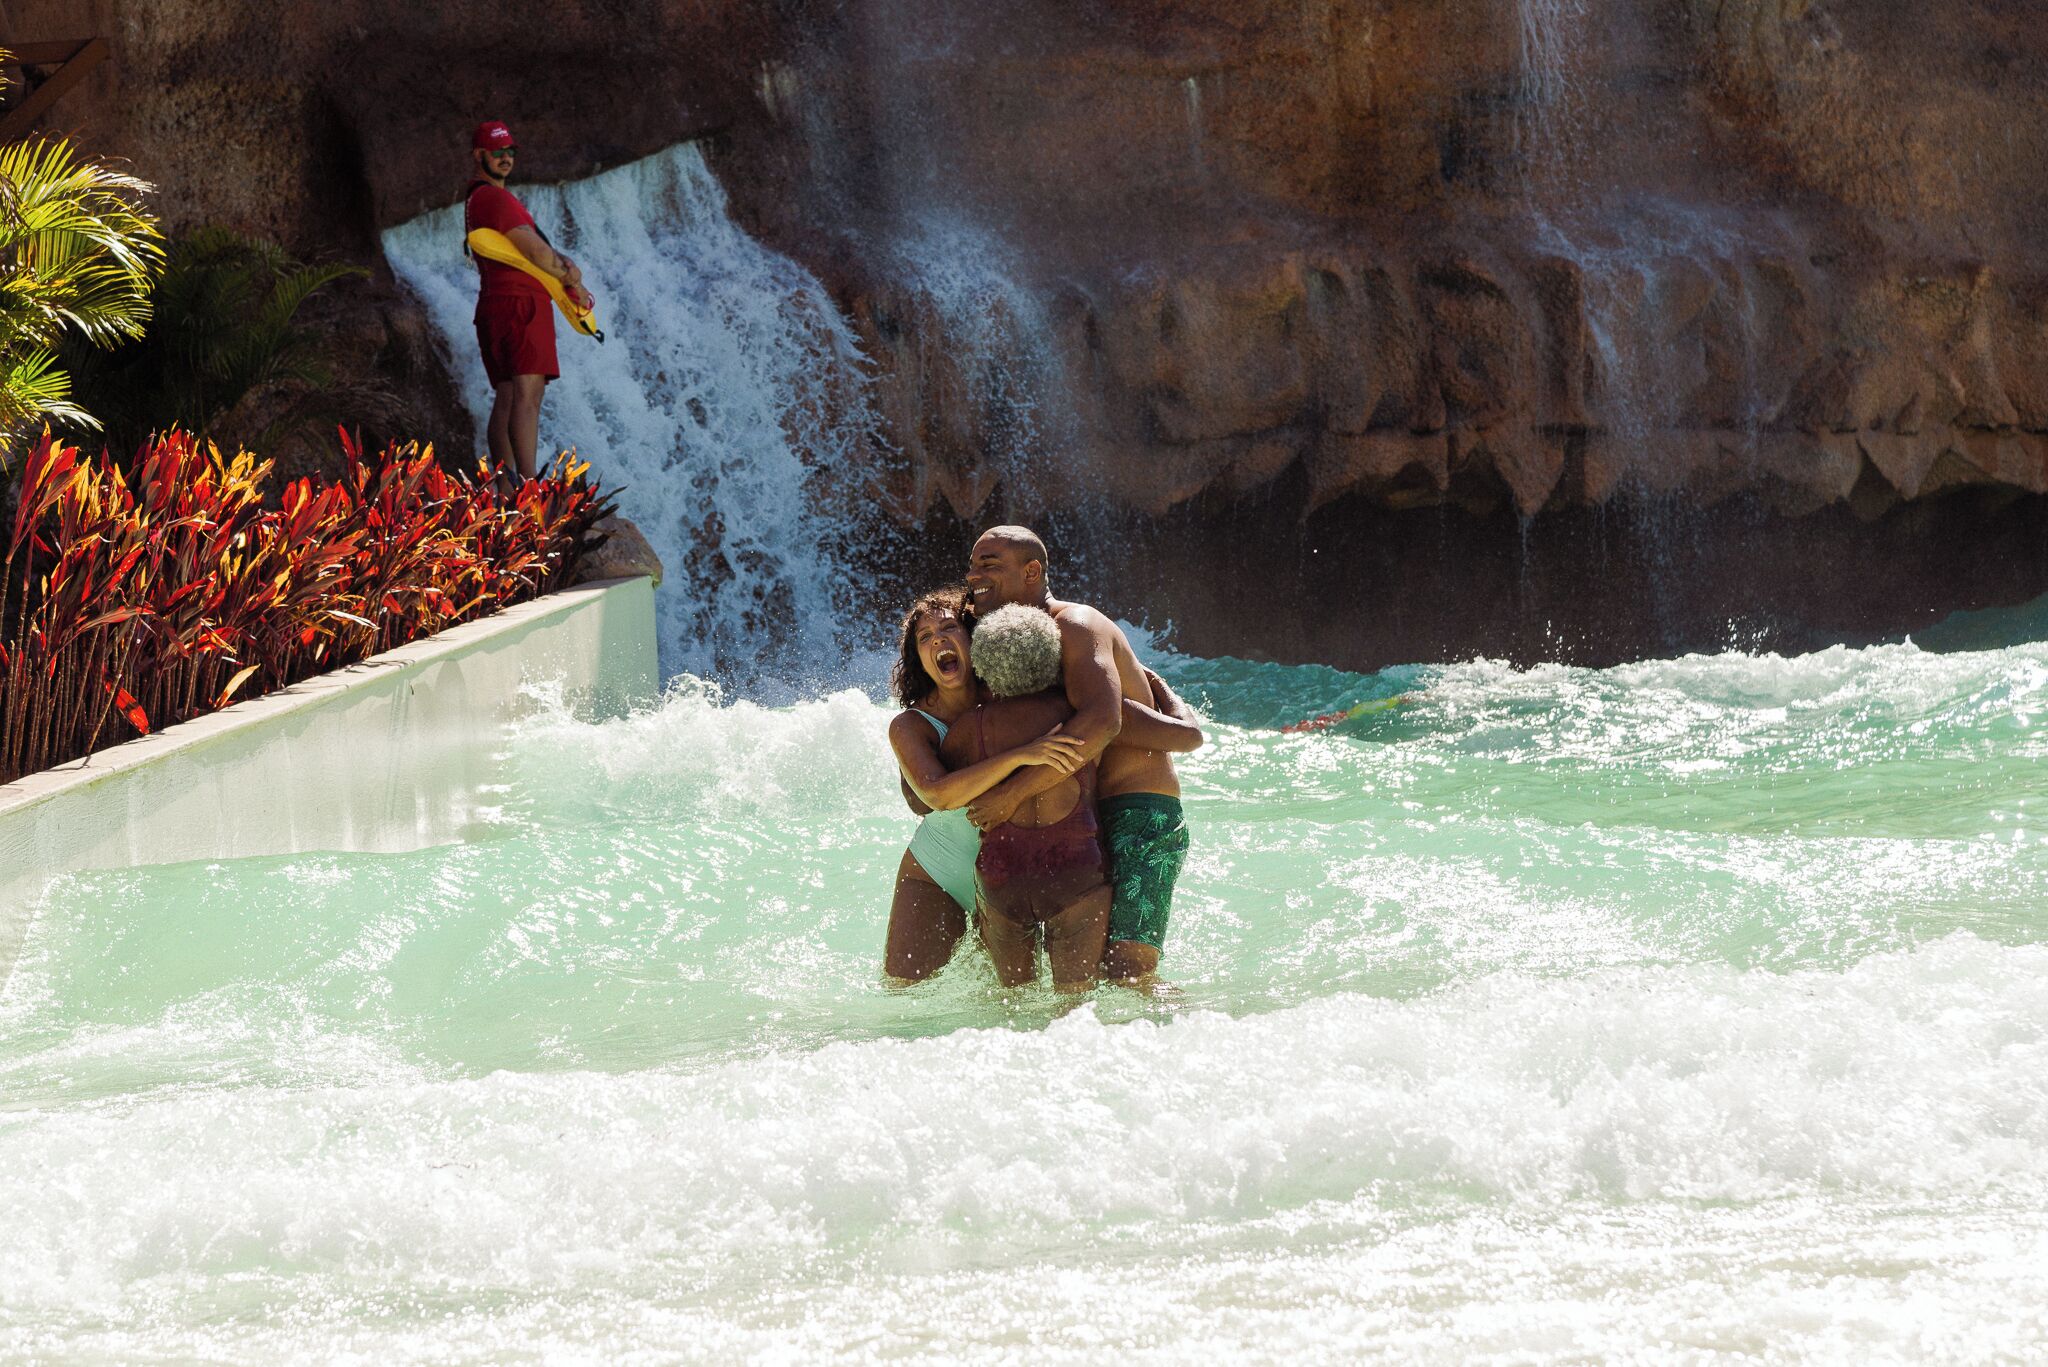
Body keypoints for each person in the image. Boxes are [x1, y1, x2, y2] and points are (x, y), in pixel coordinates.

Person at [963, 526, 1203, 985]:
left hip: (1137, 811)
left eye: (988, 564)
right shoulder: (1011, 639)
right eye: (973, 565)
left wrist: (1011, 796)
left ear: (1031, 571)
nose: (973, 575)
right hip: (1079, 816)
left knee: (1128, 970)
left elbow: (1102, 723)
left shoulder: (1074, 625)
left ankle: (1184, 1042)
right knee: (1071, 977)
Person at [883, 587, 1086, 982]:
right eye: (925, 637)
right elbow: (938, 794)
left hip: (1009, 873)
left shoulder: (1012, 698)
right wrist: (1020, 754)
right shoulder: (910, 725)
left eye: (949, 627)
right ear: (918, 659)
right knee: (902, 997)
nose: (938, 640)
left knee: (1004, 1005)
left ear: (972, 637)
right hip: (936, 868)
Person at [941, 605, 1111, 992]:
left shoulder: (972, 728)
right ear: (1053, 657)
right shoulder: (1075, 714)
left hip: (1003, 874)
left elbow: (931, 792)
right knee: (1075, 999)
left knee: (1013, 1003)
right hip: (1077, 869)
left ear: (982, 664)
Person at [464, 120, 590, 485]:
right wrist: (572, 279)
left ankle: (505, 488)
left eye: (510, 152)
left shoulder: (479, 199)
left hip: (496, 305)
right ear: (479, 156)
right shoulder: (495, 198)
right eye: (496, 152)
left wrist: (563, 269)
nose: (505, 158)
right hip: (520, 305)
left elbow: (528, 247)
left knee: (507, 397)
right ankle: (531, 487)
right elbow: (533, 249)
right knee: (527, 396)